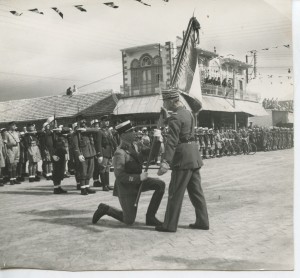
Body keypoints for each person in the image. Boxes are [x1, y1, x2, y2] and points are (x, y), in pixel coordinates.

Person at [155, 88, 209, 233]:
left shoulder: (175, 117)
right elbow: (183, 128)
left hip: (182, 159)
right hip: (193, 156)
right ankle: (203, 221)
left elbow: (172, 142)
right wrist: (167, 119)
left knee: (175, 193)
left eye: (166, 101)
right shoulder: (187, 113)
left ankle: (169, 225)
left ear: (172, 101)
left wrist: (165, 162)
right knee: (196, 192)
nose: (164, 104)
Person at [92, 120, 165, 227]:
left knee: (160, 185)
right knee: (129, 220)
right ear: (123, 135)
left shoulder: (135, 146)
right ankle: (105, 209)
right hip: (126, 188)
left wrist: (158, 139)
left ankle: (150, 217)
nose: (134, 133)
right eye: (130, 131)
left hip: (138, 182)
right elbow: (120, 176)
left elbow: (152, 154)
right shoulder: (119, 153)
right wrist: (139, 177)